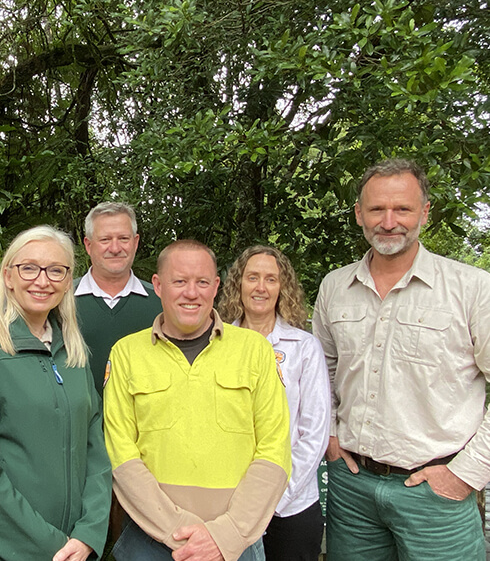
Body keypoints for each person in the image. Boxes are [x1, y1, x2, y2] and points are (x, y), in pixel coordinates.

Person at [312, 158, 490, 561]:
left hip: (437, 494)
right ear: (359, 213)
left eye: (403, 209)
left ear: (425, 213)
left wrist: (466, 474)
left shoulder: (472, 288)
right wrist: (332, 437)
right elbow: (323, 371)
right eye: (377, 209)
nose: (388, 221)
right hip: (352, 488)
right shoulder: (335, 287)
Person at [104, 239, 291, 561]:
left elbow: (275, 448)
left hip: (236, 542)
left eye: (202, 282)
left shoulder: (255, 350)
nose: (192, 293)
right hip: (149, 541)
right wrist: (178, 530)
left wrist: (225, 536)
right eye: (179, 282)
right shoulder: (126, 354)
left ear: (216, 286)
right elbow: (120, 453)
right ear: (158, 286)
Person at [0, 225, 112, 561]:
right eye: (29, 267)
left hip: (70, 548)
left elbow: (95, 449)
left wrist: (88, 532)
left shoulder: (72, 349)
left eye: (56, 270)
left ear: (68, 280)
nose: (42, 280)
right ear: (8, 275)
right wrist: (48, 545)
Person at [219, 245, 330, 561]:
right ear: (238, 284)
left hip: (291, 505)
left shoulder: (304, 347)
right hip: (229, 502)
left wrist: (274, 493)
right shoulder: (218, 343)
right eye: (252, 277)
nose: (260, 287)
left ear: (283, 287)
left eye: (271, 279)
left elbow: (315, 432)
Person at [75, 202, 161, 393]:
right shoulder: (61, 300)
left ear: (136, 242)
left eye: (123, 238)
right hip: (78, 421)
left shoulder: (161, 303)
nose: (115, 248)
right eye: (105, 239)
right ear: (88, 245)